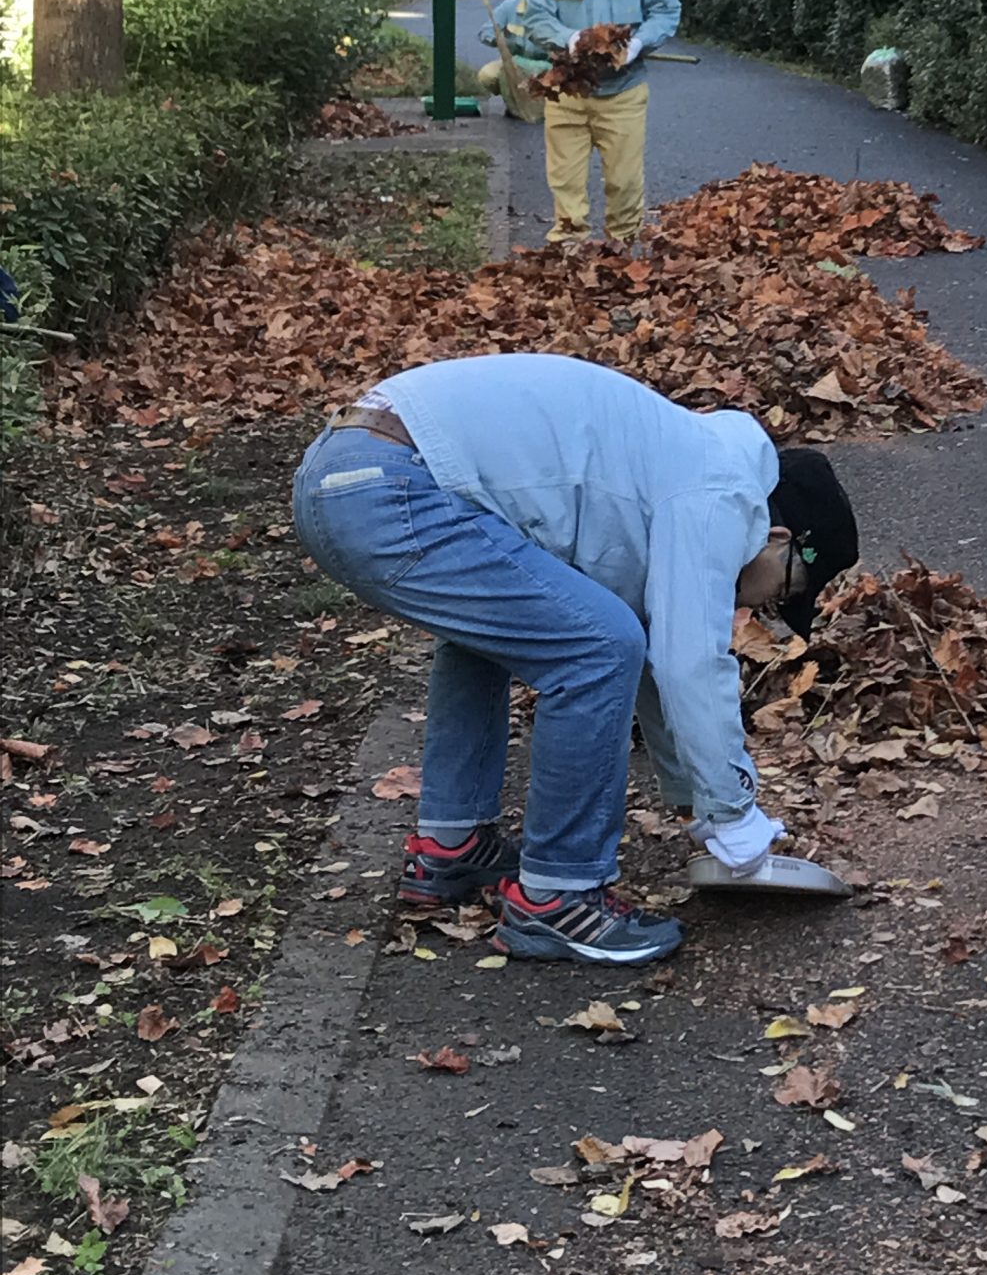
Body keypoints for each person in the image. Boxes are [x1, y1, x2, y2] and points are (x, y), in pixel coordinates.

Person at [291, 354, 861, 963]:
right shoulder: (721, 488)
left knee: (509, 630)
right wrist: (734, 813)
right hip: (393, 487)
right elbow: (686, 661)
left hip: (343, 471)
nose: (771, 606)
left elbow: (654, 650)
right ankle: (559, 896)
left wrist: (696, 797)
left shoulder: (671, 464)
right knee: (597, 648)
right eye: (789, 588)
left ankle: (452, 845)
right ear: (778, 538)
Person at [520, 0, 682, 246]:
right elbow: (535, 18)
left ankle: (622, 253)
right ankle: (569, 254)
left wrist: (639, 43)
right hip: (568, 94)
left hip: (623, 92)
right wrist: (571, 39)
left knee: (625, 182)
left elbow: (666, 10)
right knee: (565, 181)